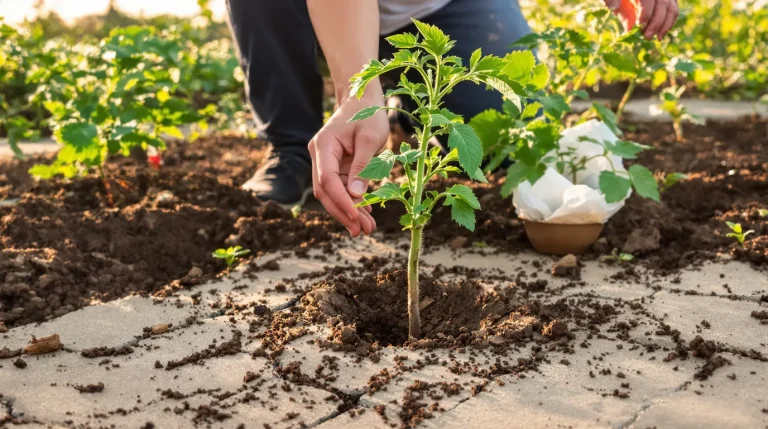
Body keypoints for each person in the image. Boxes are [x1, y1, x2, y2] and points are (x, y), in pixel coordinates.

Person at [225, 0, 678, 237]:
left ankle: (408, 118)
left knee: (502, 142)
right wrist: (358, 95)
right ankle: (291, 148)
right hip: (310, 10)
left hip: (441, 9)